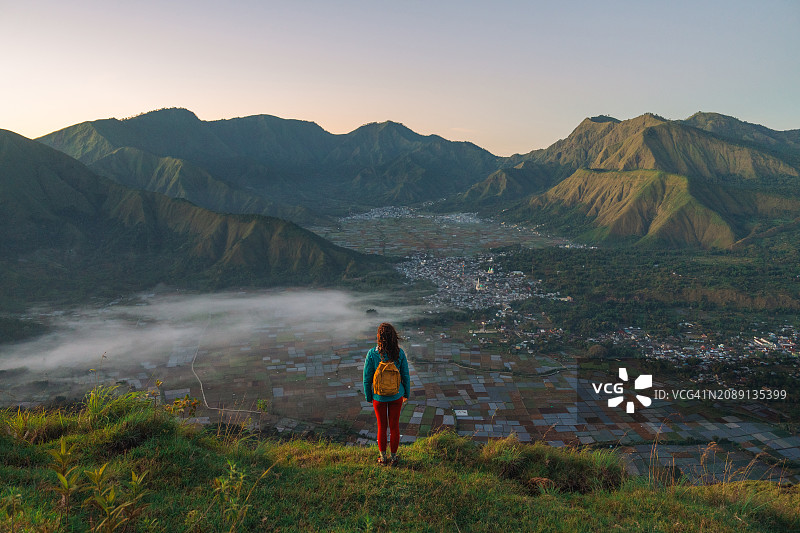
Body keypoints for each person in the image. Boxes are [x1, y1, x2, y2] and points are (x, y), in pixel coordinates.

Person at [363, 322, 410, 466]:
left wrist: (369, 396)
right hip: (397, 395)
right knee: (394, 426)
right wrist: (406, 393)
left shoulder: (372, 354)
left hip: (379, 397)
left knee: (381, 427)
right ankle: (394, 458)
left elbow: (367, 378)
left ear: (379, 337)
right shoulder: (400, 353)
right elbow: (405, 376)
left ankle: (383, 458)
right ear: (394, 337)